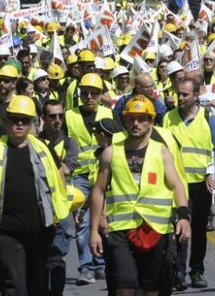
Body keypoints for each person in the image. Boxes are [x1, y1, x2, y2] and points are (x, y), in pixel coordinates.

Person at [0, 95, 70, 295]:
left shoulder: (43, 148)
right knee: (14, 287)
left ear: (32, 122)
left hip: (40, 231)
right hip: (5, 232)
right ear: (7, 120)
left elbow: (59, 178)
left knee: (37, 287)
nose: (20, 125)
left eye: (25, 120)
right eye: (15, 119)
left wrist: (58, 214)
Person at [88, 95, 191, 296]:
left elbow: (177, 185)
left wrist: (184, 218)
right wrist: (93, 230)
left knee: (150, 289)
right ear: (124, 120)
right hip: (120, 230)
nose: (136, 123)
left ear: (151, 121)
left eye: (142, 118)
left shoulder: (161, 152)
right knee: (125, 285)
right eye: (131, 118)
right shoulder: (111, 153)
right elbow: (99, 191)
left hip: (154, 229)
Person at [163, 78, 215, 290]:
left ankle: (196, 270)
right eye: (179, 93)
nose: (180, 98)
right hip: (175, 184)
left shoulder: (208, 117)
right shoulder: (167, 118)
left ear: (195, 95)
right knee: (178, 228)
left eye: (185, 94)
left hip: (200, 184)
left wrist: (212, 172)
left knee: (198, 229)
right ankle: (177, 272)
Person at [64, 73, 114, 285]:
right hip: (79, 177)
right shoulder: (69, 116)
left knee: (103, 219)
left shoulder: (107, 114)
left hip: (103, 174)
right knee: (82, 222)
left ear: (101, 95)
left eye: (94, 93)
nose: (89, 97)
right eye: (85, 93)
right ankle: (86, 266)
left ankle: (100, 263)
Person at [39, 100, 79, 296]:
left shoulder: (70, 143)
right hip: (39, 209)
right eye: (52, 116)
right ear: (43, 119)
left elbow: (65, 169)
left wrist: (48, 160)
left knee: (56, 257)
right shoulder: (35, 142)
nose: (57, 120)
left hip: (62, 209)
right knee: (39, 258)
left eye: (60, 116)